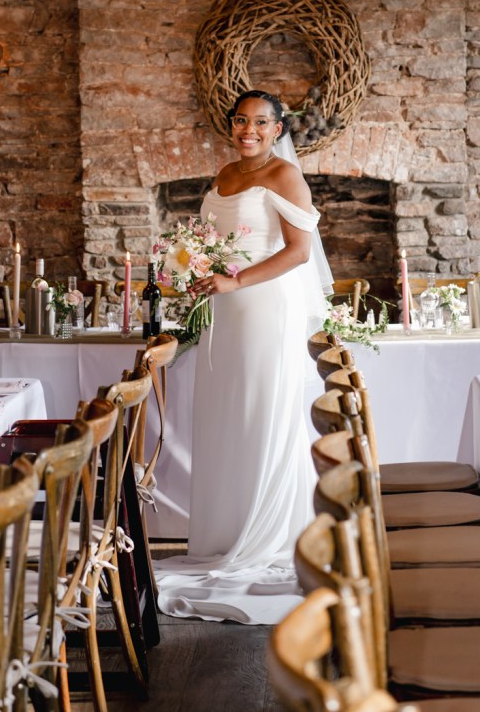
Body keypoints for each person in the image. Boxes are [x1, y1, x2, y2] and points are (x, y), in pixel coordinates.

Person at [155, 89, 329, 624]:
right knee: (223, 416)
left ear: (278, 129)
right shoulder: (225, 174)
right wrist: (194, 270)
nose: (247, 130)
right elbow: (214, 241)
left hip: (262, 308)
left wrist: (236, 281)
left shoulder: (284, 175)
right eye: (240, 120)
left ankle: (266, 534)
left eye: (259, 122)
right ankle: (223, 533)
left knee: (258, 414)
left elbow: (298, 251)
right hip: (222, 310)